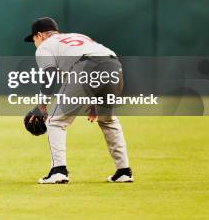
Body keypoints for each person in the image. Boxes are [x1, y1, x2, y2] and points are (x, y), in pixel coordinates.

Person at [23, 17, 133, 184]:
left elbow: (49, 75)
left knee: (55, 121)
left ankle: (58, 172)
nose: (35, 43)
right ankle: (124, 171)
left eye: (33, 40)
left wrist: (41, 106)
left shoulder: (45, 46)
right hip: (114, 65)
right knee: (108, 120)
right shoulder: (77, 37)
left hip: (86, 66)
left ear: (40, 35)